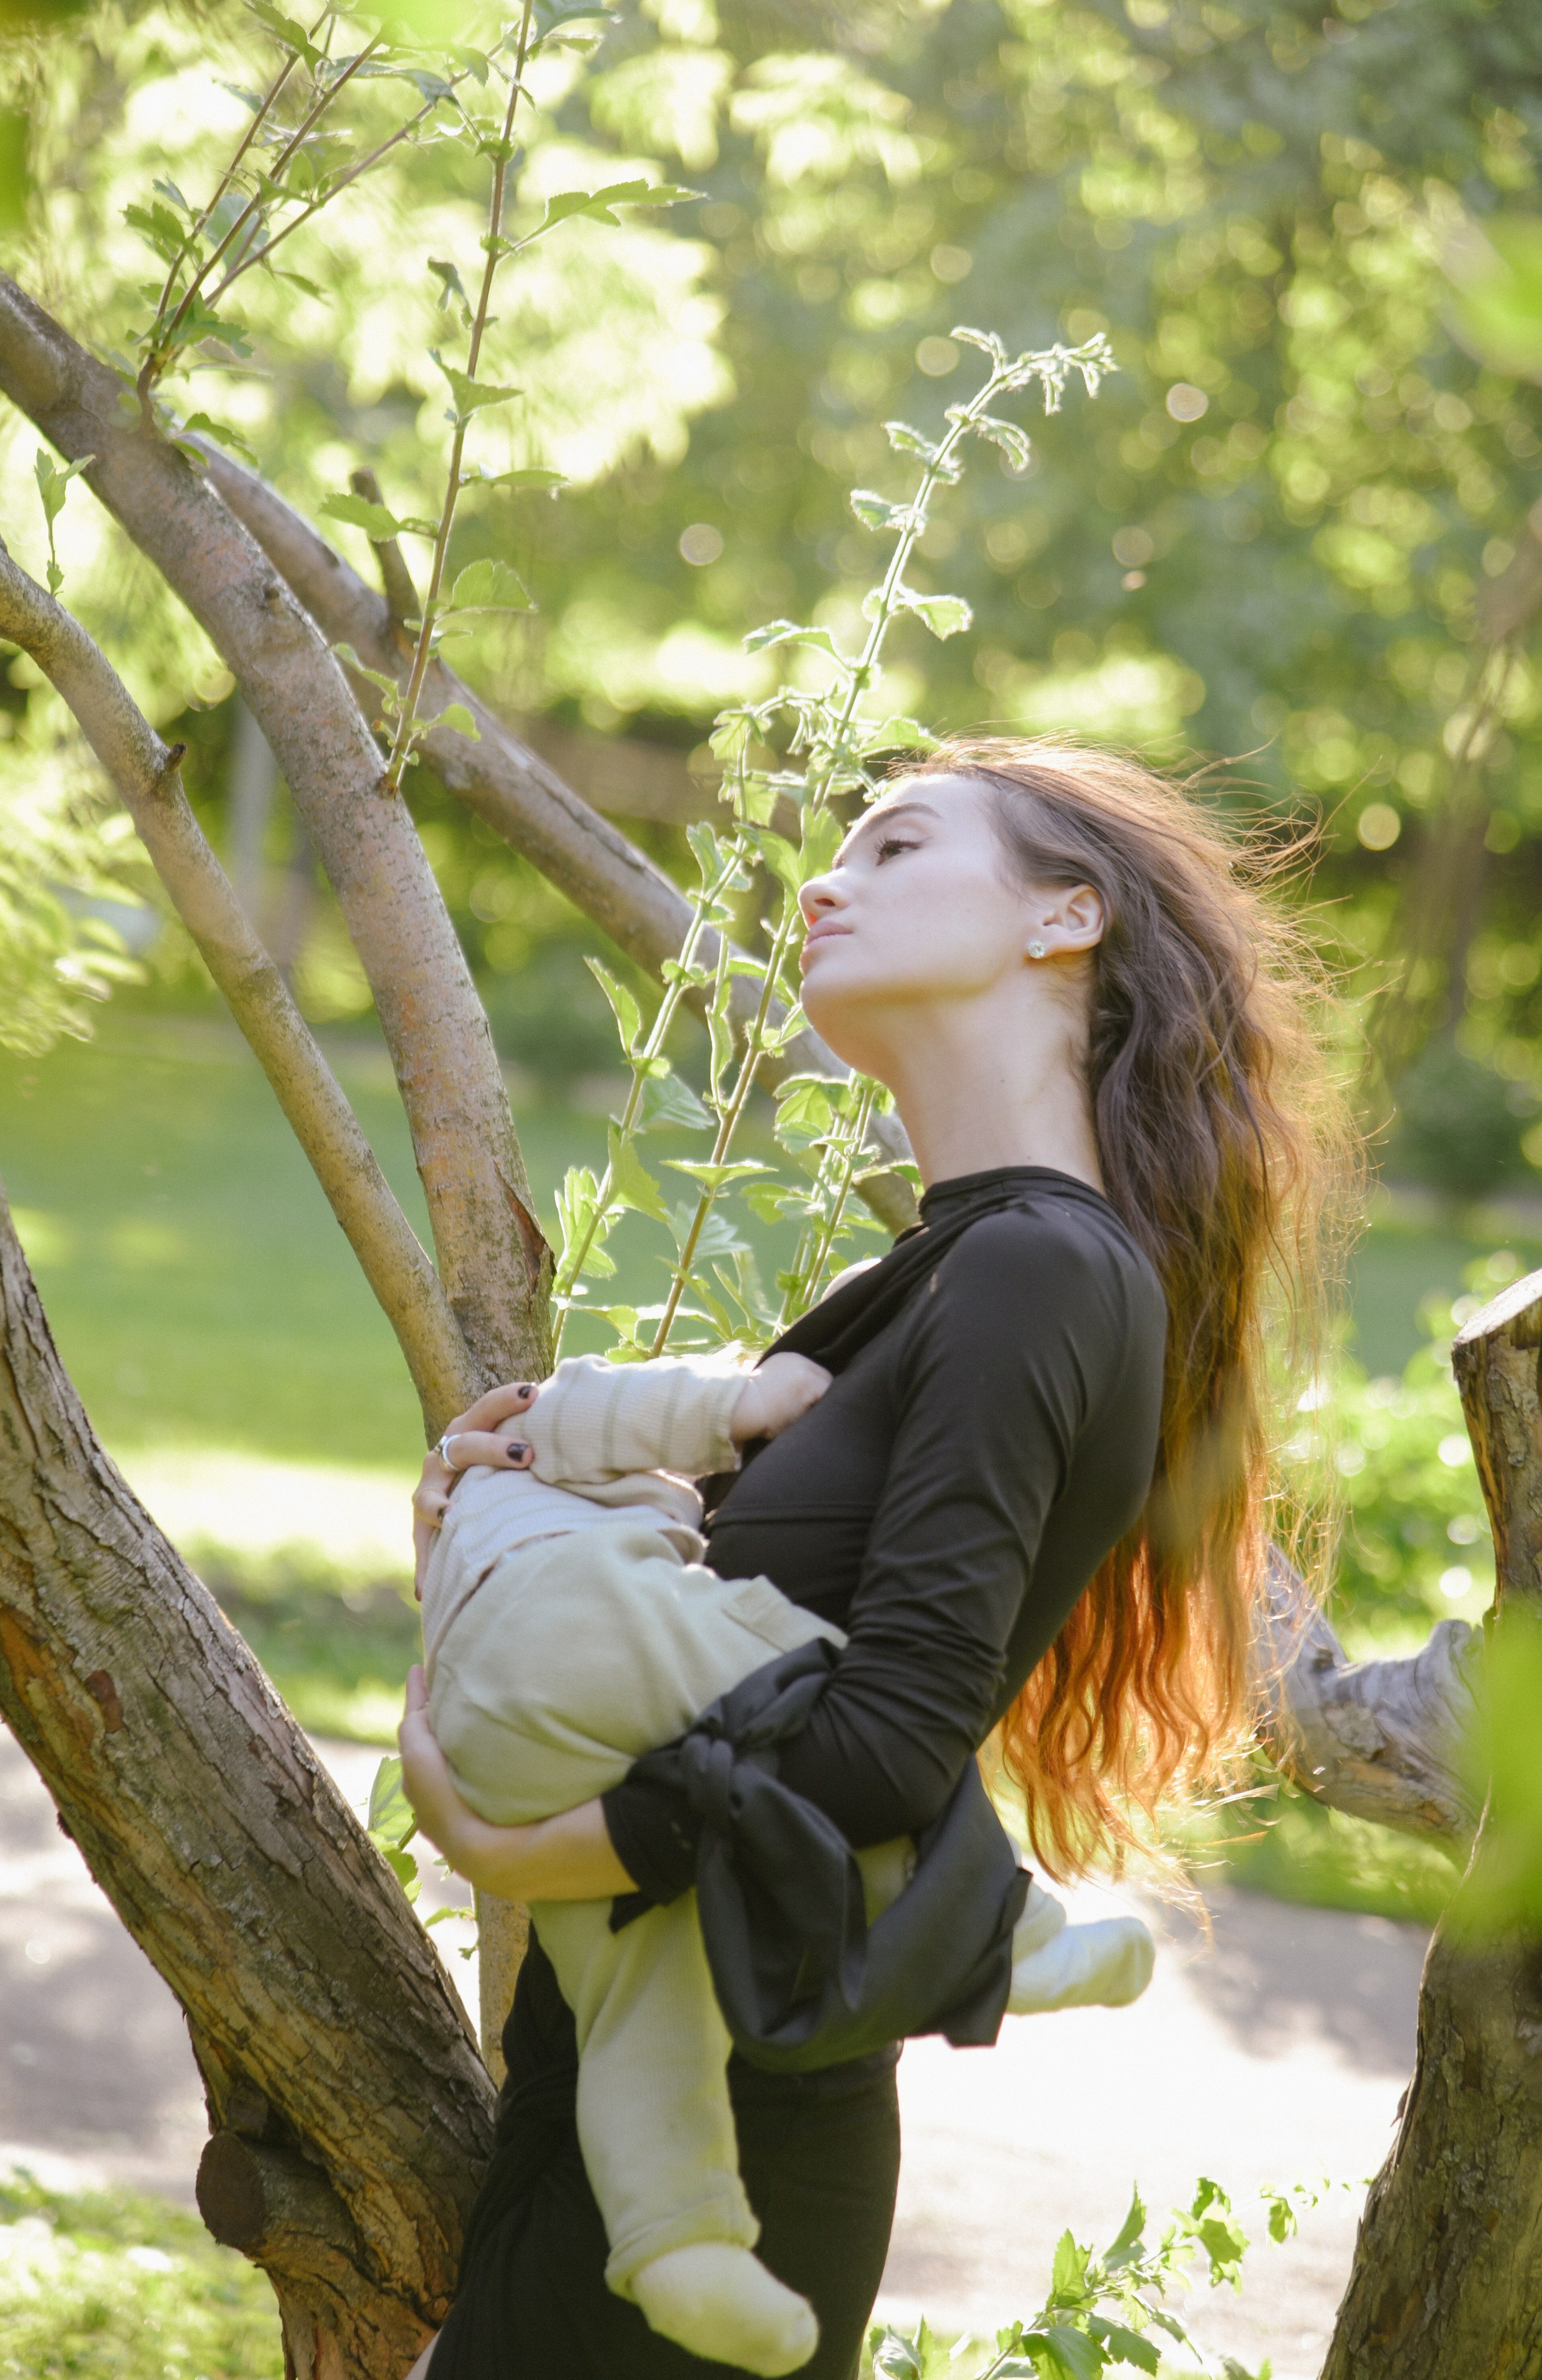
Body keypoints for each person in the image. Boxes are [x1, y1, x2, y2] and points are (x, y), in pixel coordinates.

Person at [396, 740, 1348, 2380]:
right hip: (653, 2098)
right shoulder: (959, 1261)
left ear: (1068, 915)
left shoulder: (1043, 1269)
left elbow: (895, 1734)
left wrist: (535, 1838)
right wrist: (497, 1514)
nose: (826, 882)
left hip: (743, 2144)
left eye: (899, 847)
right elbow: (753, 1631)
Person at [411, 1344, 1154, 2375]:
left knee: (637, 2002)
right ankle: (999, 1935)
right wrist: (745, 1395)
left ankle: (676, 2237)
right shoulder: (562, 1463)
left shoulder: (529, 1499)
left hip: (505, 1738)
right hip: (561, 1619)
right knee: (836, 1700)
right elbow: (594, 1404)